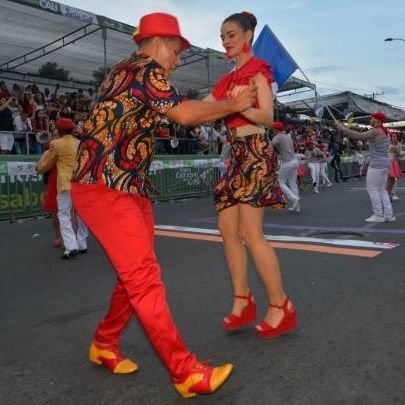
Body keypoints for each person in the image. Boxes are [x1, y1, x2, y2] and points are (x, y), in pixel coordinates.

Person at [70, 12, 257, 399]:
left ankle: (104, 343)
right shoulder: (145, 69)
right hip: (105, 187)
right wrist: (231, 103)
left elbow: (181, 108)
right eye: (176, 51)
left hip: (124, 186)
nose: (177, 60)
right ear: (157, 44)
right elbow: (184, 114)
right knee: (143, 277)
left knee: (136, 273)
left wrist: (220, 103)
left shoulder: (125, 71)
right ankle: (184, 372)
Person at [205, 12, 296, 340]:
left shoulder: (259, 70)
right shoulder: (227, 80)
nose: (226, 41)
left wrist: (235, 106)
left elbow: (268, 116)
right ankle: (243, 299)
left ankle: (280, 304)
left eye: (231, 34)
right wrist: (162, 105)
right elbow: (203, 107)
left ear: (248, 35)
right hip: (235, 156)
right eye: (222, 36)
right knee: (227, 229)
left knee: (250, 232)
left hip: (255, 151)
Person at [36, 118, 89, 258]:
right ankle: (82, 243)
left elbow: (46, 165)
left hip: (65, 183)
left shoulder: (56, 143)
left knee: (64, 215)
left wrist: (39, 167)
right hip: (80, 183)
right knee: (82, 214)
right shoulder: (80, 143)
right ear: (72, 130)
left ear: (59, 130)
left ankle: (71, 247)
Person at [335, 112, 395, 222]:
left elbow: (359, 136)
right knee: (382, 189)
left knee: (372, 189)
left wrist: (342, 128)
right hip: (384, 163)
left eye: (372, 117)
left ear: (377, 119)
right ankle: (388, 214)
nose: (370, 119)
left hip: (376, 164)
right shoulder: (387, 132)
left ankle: (378, 215)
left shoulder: (375, 131)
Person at [271, 121, 300, 212]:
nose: (272, 130)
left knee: (280, 182)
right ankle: (297, 206)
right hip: (294, 161)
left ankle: (293, 198)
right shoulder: (288, 136)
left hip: (287, 162)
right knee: (293, 184)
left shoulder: (278, 137)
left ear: (275, 129)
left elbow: (270, 146)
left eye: (273, 129)